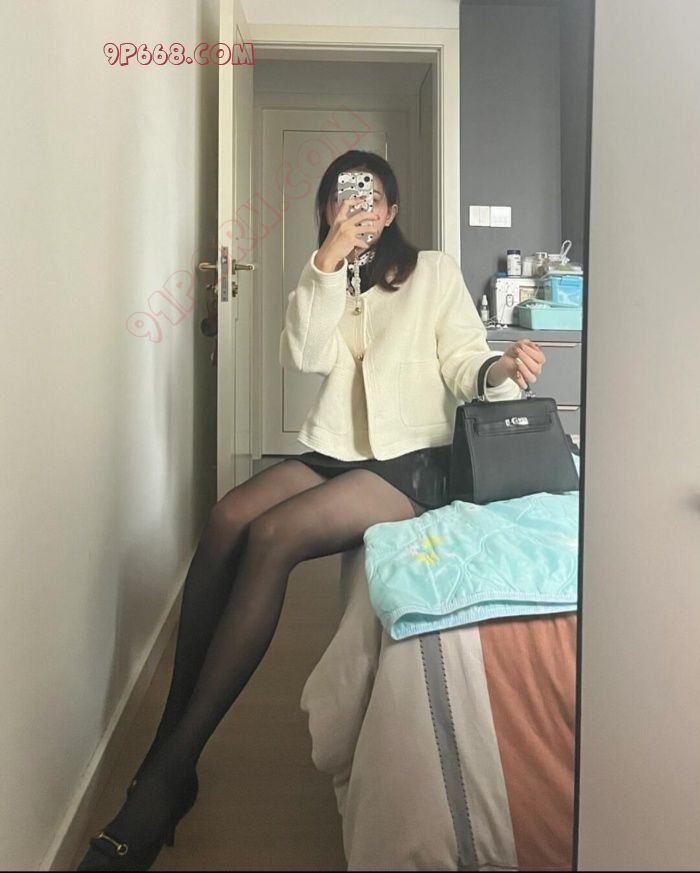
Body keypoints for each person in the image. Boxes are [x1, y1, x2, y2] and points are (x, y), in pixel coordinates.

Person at [76, 150, 546, 871]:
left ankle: (166, 775)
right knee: (227, 519)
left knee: (273, 536)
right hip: (337, 450)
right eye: (343, 197)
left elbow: (464, 360)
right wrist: (326, 263)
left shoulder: (433, 272)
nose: (359, 208)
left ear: (392, 211)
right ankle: (170, 751)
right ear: (328, 210)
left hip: (410, 460)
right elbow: (304, 355)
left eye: (372, 197)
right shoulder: (325, 275)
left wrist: (500, 370)